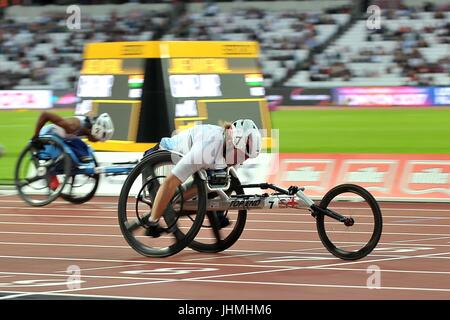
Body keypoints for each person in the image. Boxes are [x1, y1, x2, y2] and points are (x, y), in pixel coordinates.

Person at [142, 119, 262, 237]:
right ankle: (152, 219)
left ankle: (213, 211)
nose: (241, 161)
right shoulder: (206, 149)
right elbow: (169, 182)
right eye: (241, 155)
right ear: (231, 142)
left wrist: (219, 204)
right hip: (159, 160)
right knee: (175, 189)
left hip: (194, 166)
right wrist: (153, 221)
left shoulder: (232, 150)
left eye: (246, 157)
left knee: (222, 180)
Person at [31, 111, 114, 189]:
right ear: (96, 130)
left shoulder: (86, 128)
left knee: (83, 146)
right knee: (79, 144)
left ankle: (75, 164)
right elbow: (45, 115)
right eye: (97, 139)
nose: (96, 142)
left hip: (61, 140)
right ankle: (50, 171)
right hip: (47, 138)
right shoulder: (73, 125)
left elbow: (90, 115)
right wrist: (36, 136)